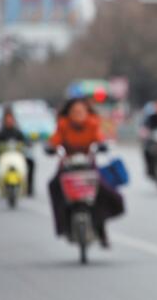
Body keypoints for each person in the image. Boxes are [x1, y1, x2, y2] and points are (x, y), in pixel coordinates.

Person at [47, 98, 124, 248]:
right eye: (74, 112)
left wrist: (101, 146)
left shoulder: (92, 124)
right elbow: (54, 142)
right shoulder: (63, 125)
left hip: (88, 166)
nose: (78, 115)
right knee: (54, 186)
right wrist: (51, 147)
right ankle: (63, 225)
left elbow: (99, 139)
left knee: (102, 191)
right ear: (68, 113)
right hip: (68, 167)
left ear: (87, 112)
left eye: (81, 111)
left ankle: (101, 230)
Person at [0, 108, 35, 195]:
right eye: (7, 119)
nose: (9, 121)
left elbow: (26, 141)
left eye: (11, 119)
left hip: (17, 156)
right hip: (5, 156)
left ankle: (29, 187)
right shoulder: (1, 132)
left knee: (31, 162)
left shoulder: (17, 132)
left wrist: (28, 144)